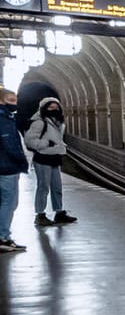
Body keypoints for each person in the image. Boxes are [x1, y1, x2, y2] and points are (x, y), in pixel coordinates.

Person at [24, 97, 75, 226]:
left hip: (55, 157)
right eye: (50, 107)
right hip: (43, 158)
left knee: (57, 187)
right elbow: (29, 141)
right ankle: (40, 215)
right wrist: (46, 143)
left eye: (56, 107)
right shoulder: (39, 122)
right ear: (44, 108)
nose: (54, 109)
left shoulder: (58, 122)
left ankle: (59, 213)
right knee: (43, 187)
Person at [0, 88, 28, 253]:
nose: (15, 104)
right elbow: (9, 143)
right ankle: (3, 237)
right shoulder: (4, 119)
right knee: (9, 202)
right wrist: (22, 162)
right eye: (11, 100)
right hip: (7, 167)